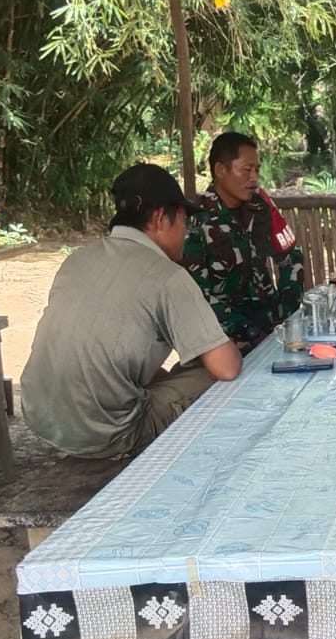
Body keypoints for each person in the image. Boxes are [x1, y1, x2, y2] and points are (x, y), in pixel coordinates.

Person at [21, 164, 242, 461]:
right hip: (110, 433)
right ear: (161, 218)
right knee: (210, 373)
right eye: (183, 222)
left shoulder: (78, 259)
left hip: (42, 418)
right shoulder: (168, 276)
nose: (185, 234)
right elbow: (226, 368)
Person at [183, 132, 304, 351]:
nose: (254, 178)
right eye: (247, 170)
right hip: (227, 342)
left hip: (275, 332)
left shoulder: (261, 208)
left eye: (257, 170)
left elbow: (290, 255)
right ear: (220, 170)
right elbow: (196, 293)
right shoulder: (196, 221)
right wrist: (245, 329)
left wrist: (288, 312)